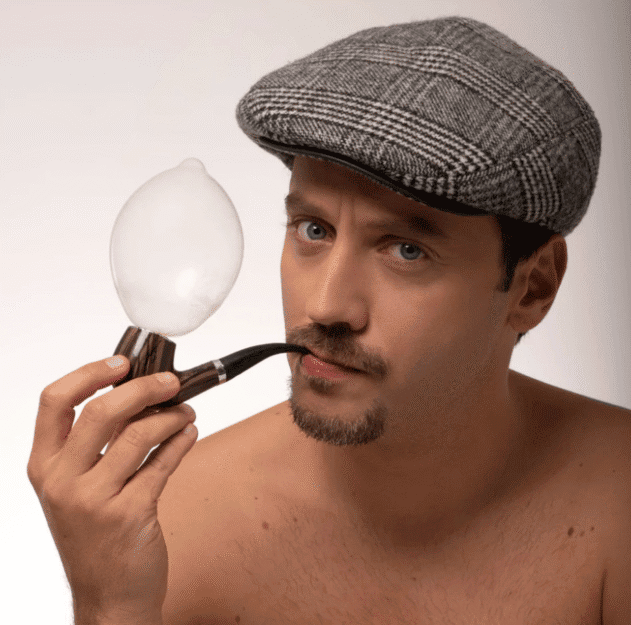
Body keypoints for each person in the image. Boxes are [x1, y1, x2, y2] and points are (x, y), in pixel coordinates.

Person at [28, 17, 630, 625]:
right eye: (313, 230)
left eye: (407, 250)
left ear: (533, 287)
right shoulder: (166, 526)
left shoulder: (618, 507)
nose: (326, 307)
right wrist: (111, 606)